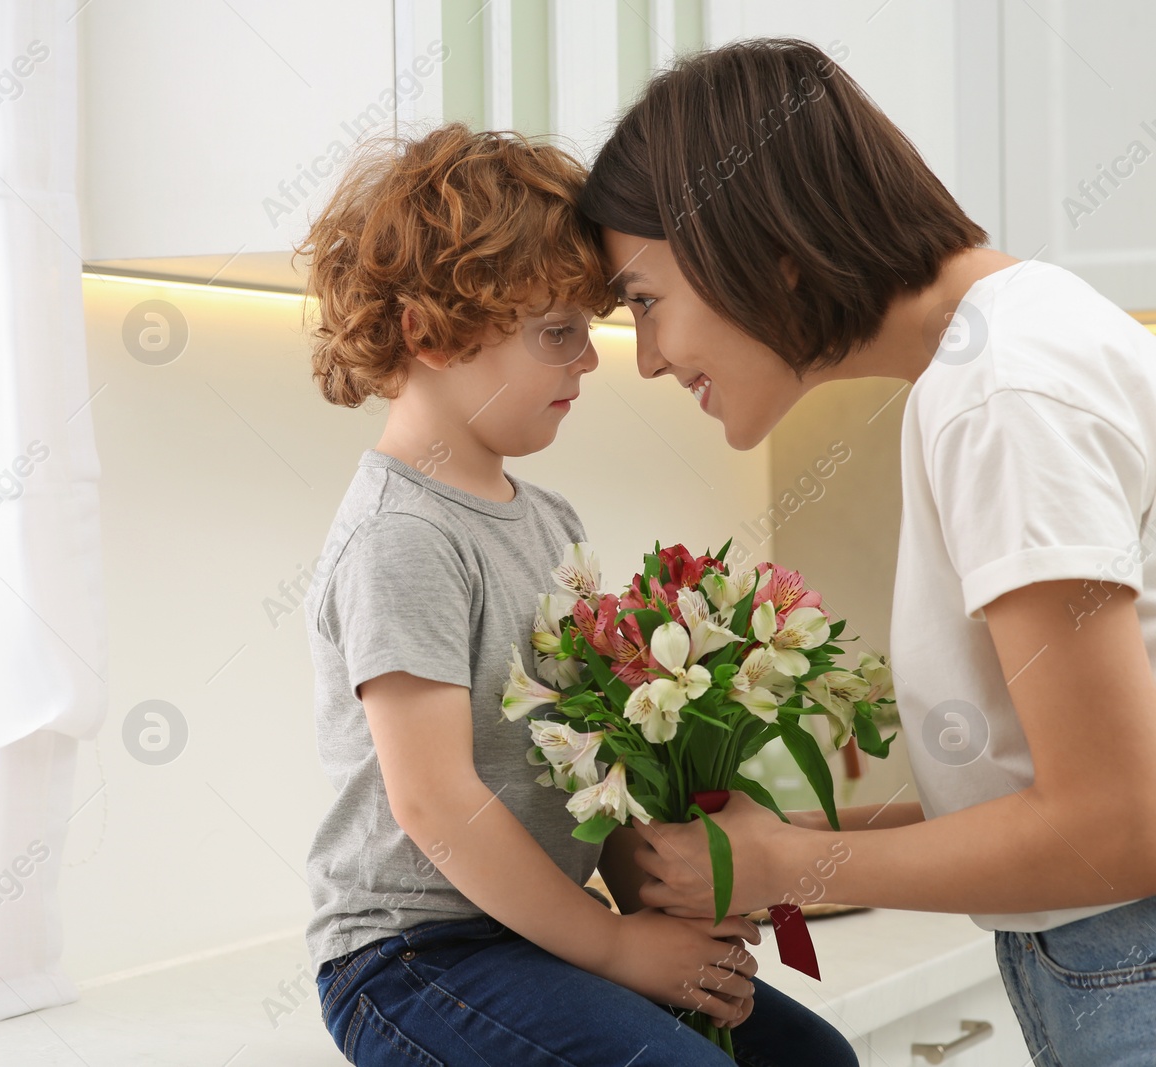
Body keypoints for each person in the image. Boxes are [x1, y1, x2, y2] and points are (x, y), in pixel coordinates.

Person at [578, 37, 1156, 1065]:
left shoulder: (999, 391)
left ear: (759, 240)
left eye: (645, 300)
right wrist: (768, 849)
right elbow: (1054, 784)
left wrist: (791, 868)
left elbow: (1117, 825)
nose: (649, 356)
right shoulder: (999, 351)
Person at [295, 121, 859, 1065]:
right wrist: (614, 945)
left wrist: (667, 894)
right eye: (558, 334)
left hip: (530, 934)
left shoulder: (547, 519)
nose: (591, 361)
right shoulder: (403, 537)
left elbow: (583, 767)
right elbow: (435, 803)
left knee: (816, 1060)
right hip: (411, 959)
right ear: (427, 332)